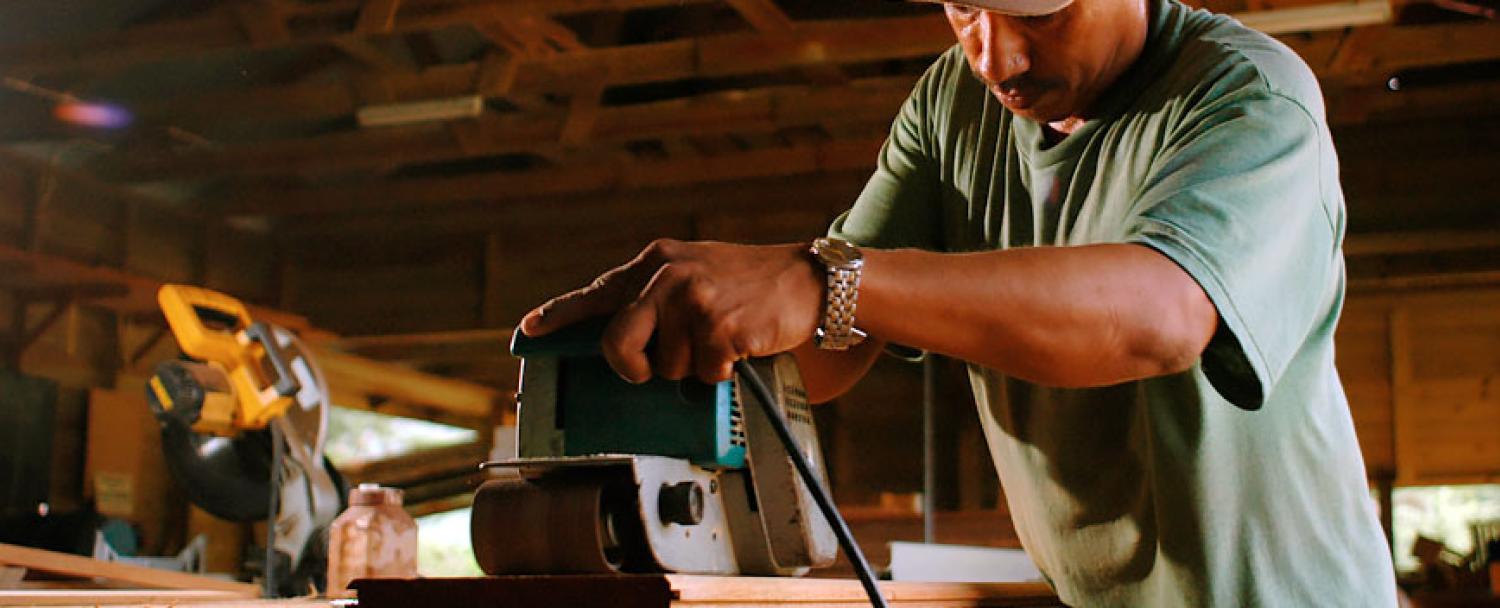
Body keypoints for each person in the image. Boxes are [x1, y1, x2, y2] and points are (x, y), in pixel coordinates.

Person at [519, 0, 1398, 604]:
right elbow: (826, 349)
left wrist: (823, 277)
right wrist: (700, 321)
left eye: (1039, 13)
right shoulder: (949, 106)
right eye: (962, 8)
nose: (996, 56)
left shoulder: (1248, 94)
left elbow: (1159, 315)